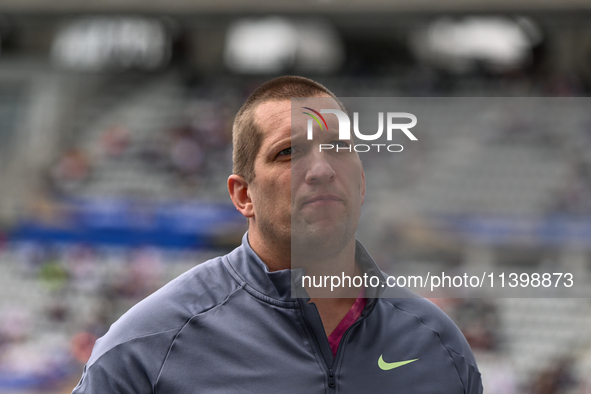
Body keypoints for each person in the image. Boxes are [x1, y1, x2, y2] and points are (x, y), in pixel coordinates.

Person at [72, 76, 483, 393]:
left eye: (339, 147)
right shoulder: (147, 346)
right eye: (288, 152)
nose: (322, 169)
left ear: (361, 180)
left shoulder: (437, 344)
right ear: (243, 194)